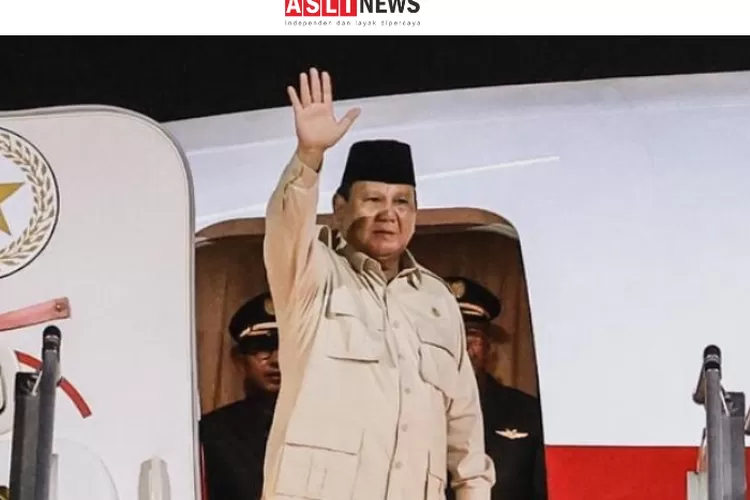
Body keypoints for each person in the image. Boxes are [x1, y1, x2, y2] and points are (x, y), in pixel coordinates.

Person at [262, 67, 495, 500]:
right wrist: (309, 156)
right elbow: (286, 227)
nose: (389, 214)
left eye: (402, 202)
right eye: (372, 200)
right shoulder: (313, 276)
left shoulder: (437, 301)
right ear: (339, 209)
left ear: (415, 215)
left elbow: (465, 439)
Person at [444, 276, 547, 500]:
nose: (462, 347)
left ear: (489, 348)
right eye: (451, 336)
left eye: (472, 335)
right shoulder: (414, 407)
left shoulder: (527, 413)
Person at [199, 291, 281, 500]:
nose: (276, 360)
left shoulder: (322, 426)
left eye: (285, 347)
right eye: (261, 348)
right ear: (238, 359)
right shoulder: (215, 433)